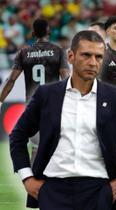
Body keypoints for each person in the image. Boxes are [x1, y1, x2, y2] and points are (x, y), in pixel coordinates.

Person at [9, 30, 116, 210]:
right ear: (70, 56)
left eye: (99, 57)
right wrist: (27, 178)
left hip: (101, 190)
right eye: (86, 55)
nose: (93, 62)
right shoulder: (46, 95)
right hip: (53, 190)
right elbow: (18, 136)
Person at [0, 18, 70, 163]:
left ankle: (34, 182)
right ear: (49, 32)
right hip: (54, 104)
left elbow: (11, 80)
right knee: (59, 146)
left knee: (35, 148)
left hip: (33, 106)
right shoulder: (58, 51)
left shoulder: (24, 53)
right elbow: (65, 77)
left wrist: (0, 100)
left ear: (32, 33)